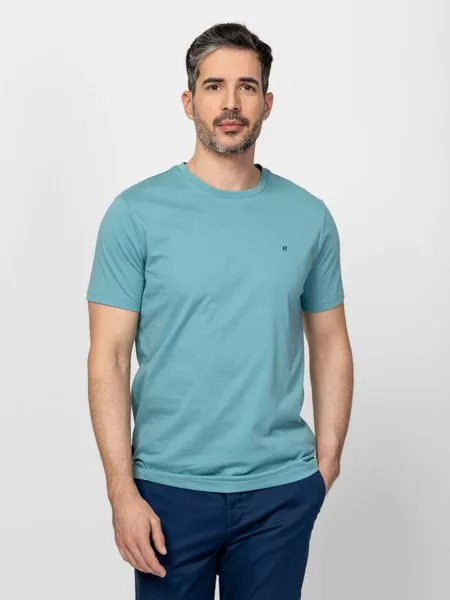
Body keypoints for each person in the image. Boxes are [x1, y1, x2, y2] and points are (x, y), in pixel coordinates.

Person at [86, 21, 354, 600]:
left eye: (246, 87)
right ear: (189, 102)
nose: (231, 103)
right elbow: (109, 356)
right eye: (214, 86)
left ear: (267, 103)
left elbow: (331, 341)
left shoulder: (309, 216)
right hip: (166, 491)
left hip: (279, 492)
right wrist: (121, 491)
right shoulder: (134, 215)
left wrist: (326, 465)